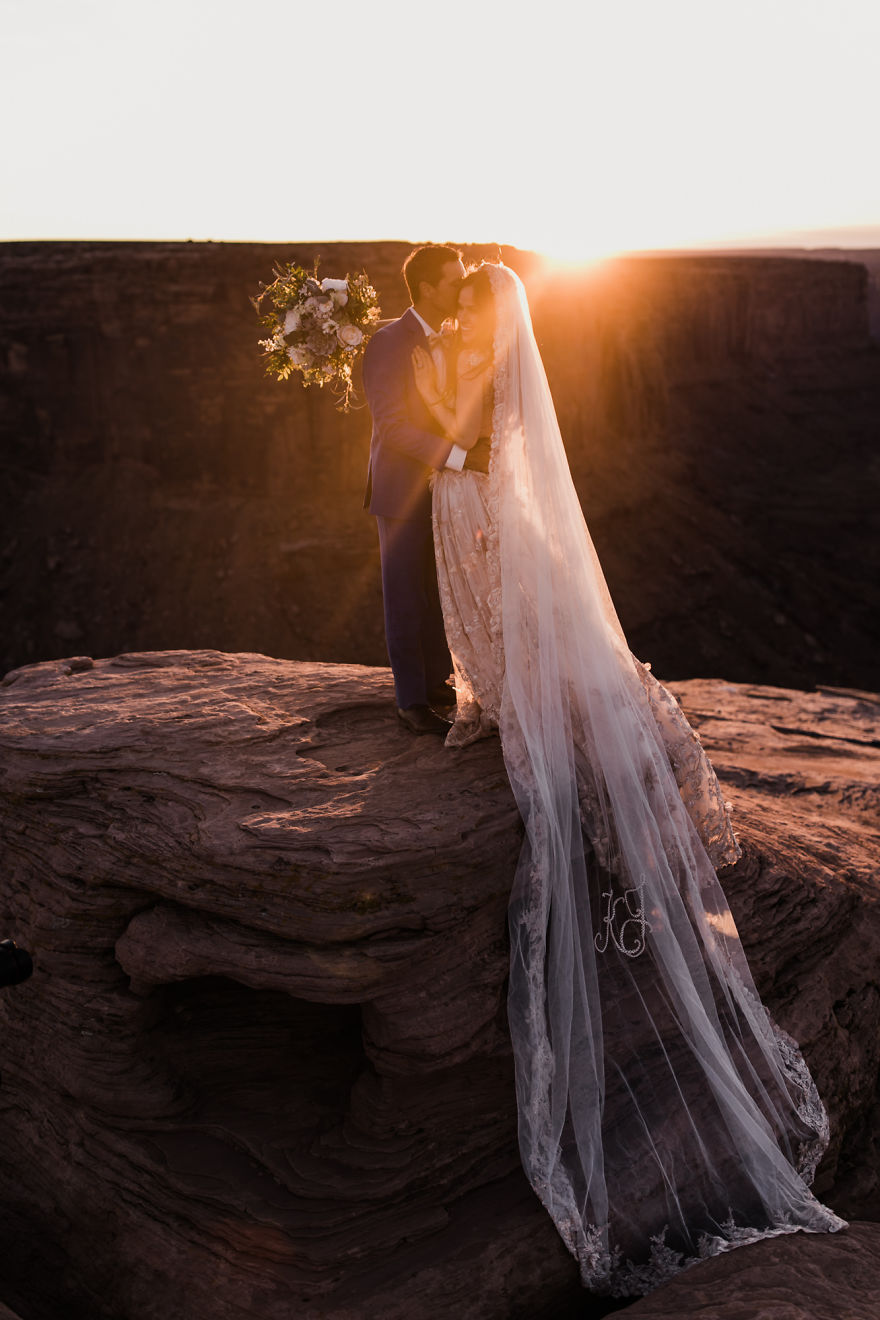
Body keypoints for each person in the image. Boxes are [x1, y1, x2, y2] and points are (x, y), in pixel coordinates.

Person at [412, 262, 846, 1298]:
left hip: (476, 492)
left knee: (523, 643)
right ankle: (518, 698)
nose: (470, 307)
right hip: (486, 497)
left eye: (476, 295)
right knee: (533, 636)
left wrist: (435, 424)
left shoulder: (479, 354)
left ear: (490, 304)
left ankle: (521, 706)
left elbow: (468, 428)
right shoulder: (495, 348)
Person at [362, 245, 492, 736]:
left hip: (450, 493)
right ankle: (410, 701)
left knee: (442, 591)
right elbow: (392, 426)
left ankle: (439, 684)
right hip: (401, 490)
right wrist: (458, 457)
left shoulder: (459, 338)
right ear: (428, 287)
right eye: (455, 281)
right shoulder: (388, 342)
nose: (462, 289)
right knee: (404, 594)